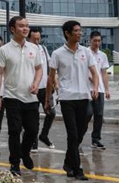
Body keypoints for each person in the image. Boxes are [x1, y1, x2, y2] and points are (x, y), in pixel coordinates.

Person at [46, 20, 99, 181]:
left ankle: (68, 164)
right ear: (67, 33)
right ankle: (77, 169)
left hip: (84, 97)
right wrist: (48, 99)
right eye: (76, 31)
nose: (79, 33)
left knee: (80, 133)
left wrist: (95, 87)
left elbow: (94, 73)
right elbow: (50, 78)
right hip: (67, 98)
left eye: (80, 30)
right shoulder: (57, 54)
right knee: (72, 134)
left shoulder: (86, 52)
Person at [0, 16, 43, 177]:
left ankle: (24, 152)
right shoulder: (4, 50)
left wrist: (36, 82)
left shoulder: (34, 48)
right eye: (21, 26)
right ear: (13, 29)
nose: (25, 29)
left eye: (27, 26)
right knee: (14, 131)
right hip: (12, 96)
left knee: (33, 130)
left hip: (31, 97)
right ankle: (15, 164)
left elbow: (39, 69)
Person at [29, 27, 56, 151]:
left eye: (38, 38)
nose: (37, 41)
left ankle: (44, 135)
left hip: (45, 87)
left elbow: (50, 68)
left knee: (51, 112)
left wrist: (55, 83)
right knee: (33, 117)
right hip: (32, 88)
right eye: (34, 39)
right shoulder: (26, 51)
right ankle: (33, 141)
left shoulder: (43, 49)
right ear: (29, 38)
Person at [86, 30, 110, 150]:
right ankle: (78, 138)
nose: (97, 43)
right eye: (94, 40)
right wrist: (91, 79)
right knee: (87, 114)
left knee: (99, 115)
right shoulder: (84, 53)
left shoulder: (102, 55)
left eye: (99, 41)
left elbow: (104, 73)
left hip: (99, 90)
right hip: (87, 90)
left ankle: (96, 140)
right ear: (90, 40)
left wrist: (107, 89)